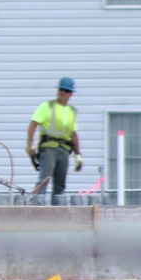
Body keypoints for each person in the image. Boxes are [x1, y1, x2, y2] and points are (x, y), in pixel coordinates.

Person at [26, 76, 82, 206]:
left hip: (64, 150)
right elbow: (33, 125)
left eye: (66, 91)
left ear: (71, 94)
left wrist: (78, 154)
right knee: (44, 179)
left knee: (60, 185)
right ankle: (36, 208)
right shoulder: (47, 106)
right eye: (61, 90)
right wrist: (30, 143)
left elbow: (74, 134)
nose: (63, 93)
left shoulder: (71, 111)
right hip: (49, 147)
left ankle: (57, 212)